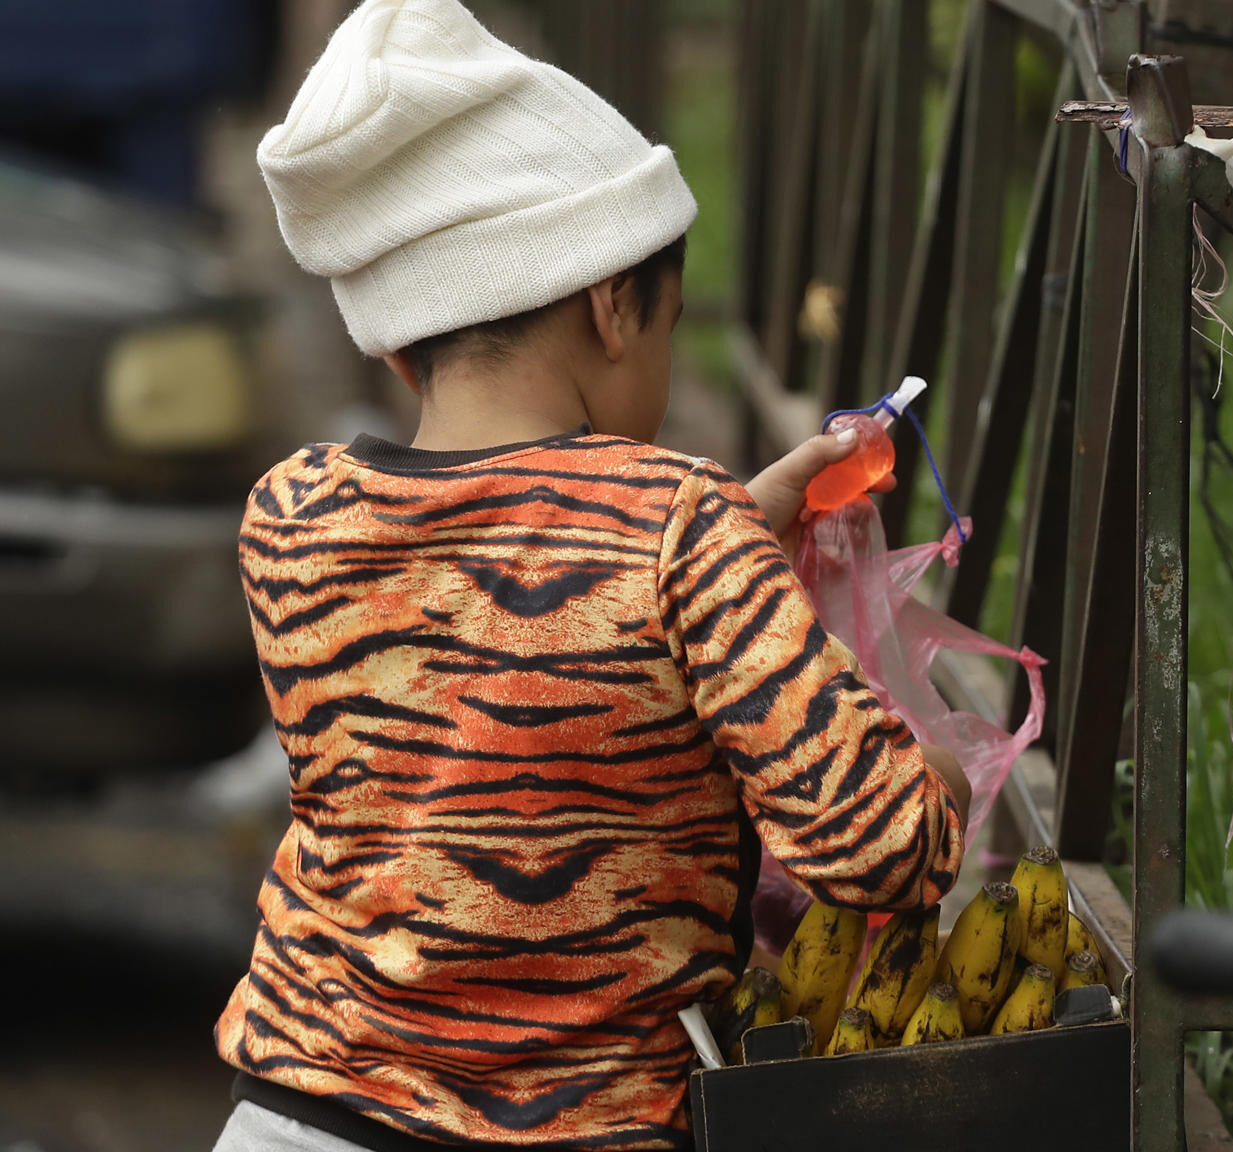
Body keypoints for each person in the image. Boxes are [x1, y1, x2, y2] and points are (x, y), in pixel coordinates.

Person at [210, 1, 971, 1148]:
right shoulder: (675, 528)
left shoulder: (291, 515)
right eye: (665, 328)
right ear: (615, 306)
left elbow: (501, 628)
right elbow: (887, 850)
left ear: (402, 333)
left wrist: (721, 554)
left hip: (292, 1116)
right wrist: (948, 778)